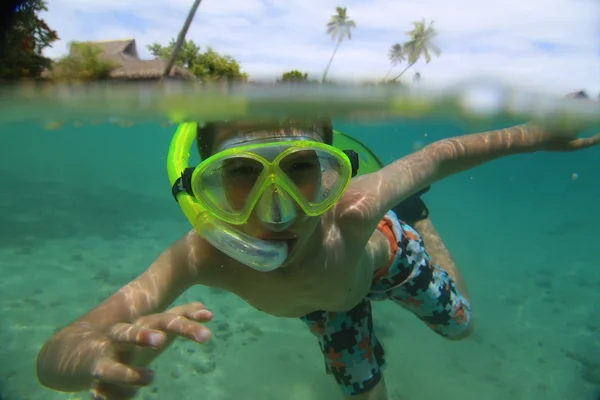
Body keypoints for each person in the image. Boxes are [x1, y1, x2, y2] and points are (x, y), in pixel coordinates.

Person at [35, 115, 599, 400]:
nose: (277, 212)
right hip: (332, 308)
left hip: (388, 261)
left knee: (461, 328)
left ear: (333, 172)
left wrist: (539, 134)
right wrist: (85, 355)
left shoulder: (353, 209)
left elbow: (443, 153)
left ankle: (419, 222)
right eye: (240, 173)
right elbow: (59, 352)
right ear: (202, 189)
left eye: (301, 166)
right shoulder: (200, 255)